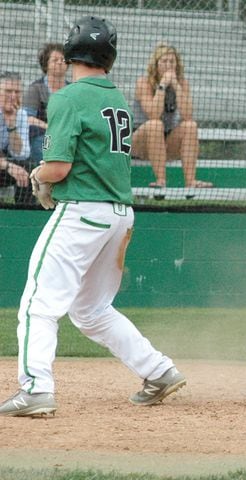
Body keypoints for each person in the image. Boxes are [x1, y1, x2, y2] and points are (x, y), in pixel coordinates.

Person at [0, 16, 186, 417]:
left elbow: (59, 166)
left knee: (38, 304)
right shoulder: (117, 97)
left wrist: (37, 176)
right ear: (109, 56)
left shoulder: (68, 97)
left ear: (71, 52)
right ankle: (159, 371)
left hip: (83, 212)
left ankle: (35, 389)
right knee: (92, 310)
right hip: (120, 215)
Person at [131, 42, 211, 191]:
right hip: (140, 143)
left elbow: (188, 115)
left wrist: (175, 84)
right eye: (164, 61)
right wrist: (162, 85)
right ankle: (161, 180)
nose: (168, 65)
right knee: (155, 124)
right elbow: (153, 114)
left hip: (165, 143)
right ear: (156, 64)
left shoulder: (181, 83)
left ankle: (191, 181)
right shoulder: (144, 83)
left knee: (190, 126)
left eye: (172, 61)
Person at [23, 43, 69, 164]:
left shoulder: (72, 89)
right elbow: (27, 118)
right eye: (55, 60)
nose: (60, 62)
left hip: (67, 135)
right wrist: (50, 127)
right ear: (46, 64)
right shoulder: (36, 89)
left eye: (63, 59)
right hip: (43, 136)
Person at [0, 71, 32, 204]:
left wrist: (12, 125)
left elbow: (21, 154)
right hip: (3, 163)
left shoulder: (21, 114)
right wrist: (8, 166)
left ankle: (24, 215)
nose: (13, 96)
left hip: (3, 162)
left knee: (28, 170)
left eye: (17, 92)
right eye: (8, 91)